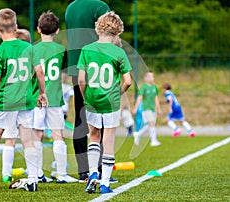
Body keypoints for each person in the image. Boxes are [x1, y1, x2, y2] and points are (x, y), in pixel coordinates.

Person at [0, 8, 47, 192]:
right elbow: (39, 71)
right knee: (28, 140)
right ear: (16, 26)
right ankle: (33, 179)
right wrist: (42, 93)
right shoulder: (29, 48)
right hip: (25, 101)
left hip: (5, 102)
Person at [78, 11, 132, 194]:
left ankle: (93, 173)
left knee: (94, 135)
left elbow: (81, 80)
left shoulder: (86, 49)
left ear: (97, 29)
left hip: (92, 99)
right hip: (111, 102)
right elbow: (128, 81)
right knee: (108, 140)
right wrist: (118, 93)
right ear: (117, 33)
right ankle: (105, 183)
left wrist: (86, 97)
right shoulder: (119, 52)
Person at [65, 0, 111, 183]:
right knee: (101, 118)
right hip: (98, 66)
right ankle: (99, 168)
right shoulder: (99, 6)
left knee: (80, 117)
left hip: (77, 68)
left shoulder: (71, 7)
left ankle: (84, 170)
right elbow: (109, 33)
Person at [32, 11, 78, 183]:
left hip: (36, 98)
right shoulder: (60, 50)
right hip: (55, 97)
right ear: (57, 31)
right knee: (57, 135)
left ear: (38, 29)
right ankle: (62, 174)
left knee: (37, 135)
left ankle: (36, 174)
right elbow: (63, 69)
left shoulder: (33, 49)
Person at [0, 28, 32, 183]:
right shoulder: (29, 54)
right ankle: (34, 174)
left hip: (10, 99)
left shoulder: (6, 52)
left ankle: (6, 173)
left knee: (10, 139)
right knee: (28, 139)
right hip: (26, 100)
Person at [132, 71, 162, 147]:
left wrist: (158, 109)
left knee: (150, 125)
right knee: (151, 123)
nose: (152, 78)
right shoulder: (144, 87)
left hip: (153, 109)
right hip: (146, 109)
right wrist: (135, 108)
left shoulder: (154, 87)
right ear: (145, 78)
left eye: (153, 76)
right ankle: (153, 141)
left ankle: (138, 135)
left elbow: (156, 99)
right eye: (150, 76)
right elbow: (139, 98)